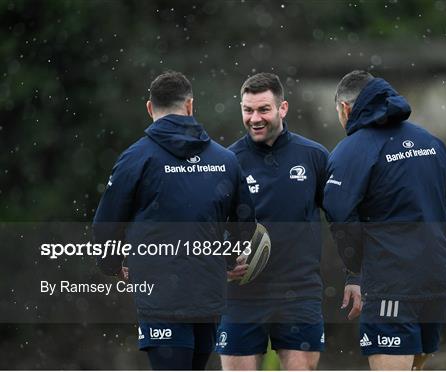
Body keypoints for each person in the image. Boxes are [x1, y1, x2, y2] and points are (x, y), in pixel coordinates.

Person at [93, 71, 256, 370]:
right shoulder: (225, 159)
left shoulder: (135, 159)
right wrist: (229, 260)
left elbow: (105, 226)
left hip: (160, 298)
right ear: (191, 106)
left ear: (149, 107)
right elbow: (245, 222)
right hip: (208, 296)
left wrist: (112, 265)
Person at [324, 70, 446, 370]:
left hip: (391, 281)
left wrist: (354, 271)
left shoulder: (350, 150)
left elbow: (339, 215)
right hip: (436, 276)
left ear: (345, 108)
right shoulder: (431, 141)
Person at [216, 73, 329, 370]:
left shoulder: (314, 157)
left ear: (283, 108)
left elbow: (344, 219)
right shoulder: (226, 162)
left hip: (298, 292)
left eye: (263, 109)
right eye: (248, 110)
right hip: (241, 295)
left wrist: (357, 275)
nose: (255, 118)